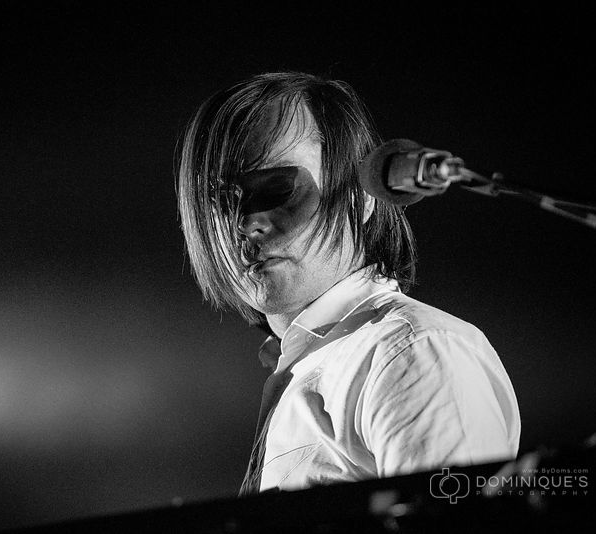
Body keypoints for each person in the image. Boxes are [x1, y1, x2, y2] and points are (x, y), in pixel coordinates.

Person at [175, 71, 520, 495]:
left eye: (276, 188)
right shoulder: (312, 366)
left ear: (360, 196)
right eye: (220, 201)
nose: (244, 224)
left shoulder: (412, 352)